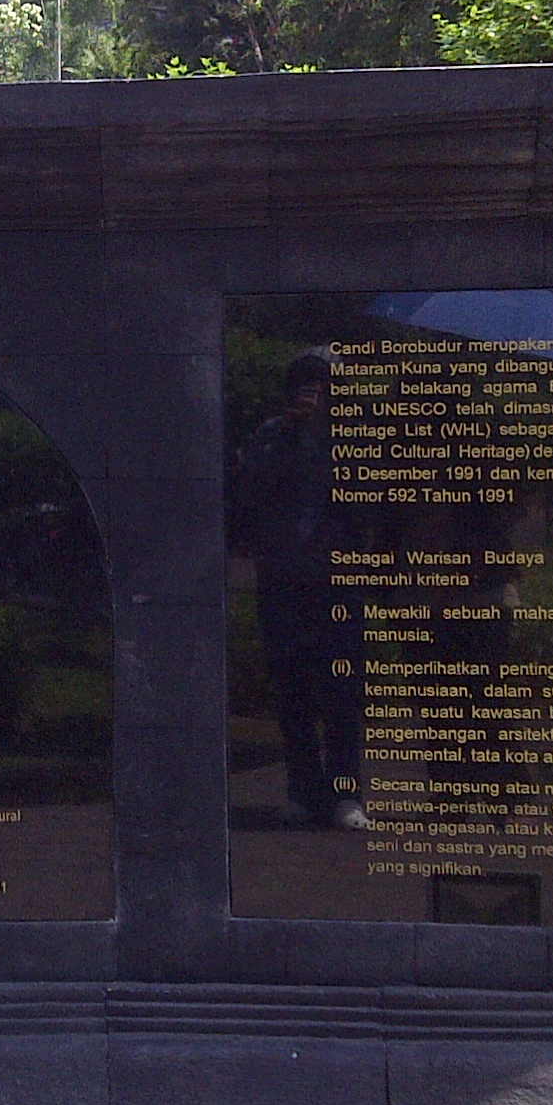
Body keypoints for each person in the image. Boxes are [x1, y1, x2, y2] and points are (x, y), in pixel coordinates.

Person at [231, 352, 367, 830]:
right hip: (282, 580)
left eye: (322, 385)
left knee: (343, 692)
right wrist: (288, 436)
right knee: (291, 691)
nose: (313, 394)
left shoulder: (350, 442)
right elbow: (247, 497)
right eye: (304, 384)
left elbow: (370, 505)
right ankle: (302, 790)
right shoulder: (270, 437)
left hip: (338, 583)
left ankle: (346, 793)